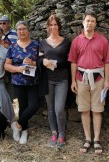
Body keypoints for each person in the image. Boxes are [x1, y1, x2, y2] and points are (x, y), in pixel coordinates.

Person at [68, 11, 109, 154]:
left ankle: (97, 140)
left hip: (98, 80)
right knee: (84, 110)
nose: (90, 23)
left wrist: (107, 80)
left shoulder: (102, 40)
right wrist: (73, 80)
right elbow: (73, 62)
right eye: (87, 20)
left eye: (92, 21)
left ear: (95, 23)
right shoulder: (77, 40)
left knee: (97, 110)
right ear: (83, 22)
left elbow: (107, 62)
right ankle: (87, 139)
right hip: (81, 79)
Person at [5, 20, 40, 144]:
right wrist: (18, 68)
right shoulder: (13, 46)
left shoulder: (36, 45)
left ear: (28, 30)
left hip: (33, 82)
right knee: (23, 106)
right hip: (18, 82)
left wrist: (33, 63)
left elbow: (42, 62)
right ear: (17, 31)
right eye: (19, 29)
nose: (22, 31)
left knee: (34, 106)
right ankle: (24, 131)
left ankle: (17, 125)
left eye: (24, 29)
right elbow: (7, 65)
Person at [39, 14, 71, 147]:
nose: (53, 27)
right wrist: (43, 61)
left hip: (61, 79)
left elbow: (70, 61)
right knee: (50, 108)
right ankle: (54, 133)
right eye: (50, 25)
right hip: (47, 79)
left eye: (55, 24)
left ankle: (62, 134)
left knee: (59, 109)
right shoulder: (42, 43)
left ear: (59, 26)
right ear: (47, 27)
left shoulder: (66, 42)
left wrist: (57, 64)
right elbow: (39, 59)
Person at [0, 15, 18, 100]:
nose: (2, 25)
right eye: (0, 23)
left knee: (11, 80)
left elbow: (19, 45)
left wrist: (8, 46)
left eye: (4, 23)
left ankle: (12, 97)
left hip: (13, 60)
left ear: (9, 23)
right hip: (1, 60)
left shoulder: (15, 33)